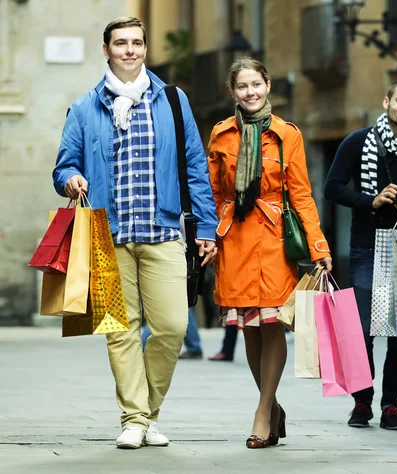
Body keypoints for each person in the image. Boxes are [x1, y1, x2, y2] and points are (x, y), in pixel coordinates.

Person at [52, 17, 218, 449]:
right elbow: (64, 164)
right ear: (106, 50)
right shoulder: (84, 108)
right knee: (119, 330)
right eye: (120, 43)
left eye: (137, 43)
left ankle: (146, 415)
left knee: (172, 326)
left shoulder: (173, 101)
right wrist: (70, 178)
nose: (130, 50)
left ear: (146, 49)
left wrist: (207, 227)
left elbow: (195, 169)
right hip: (105, 237)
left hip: (163, 230)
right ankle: (135, 418)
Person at [207, 57, 332, 449]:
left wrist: (318, 246)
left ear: (267, 86)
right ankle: (273, 405)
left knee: (272, 322)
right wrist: (209, 237)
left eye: (255, 85)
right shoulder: (221, 134)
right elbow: (211, 193)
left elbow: (301, 193)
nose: (250, 92)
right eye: (242, 87)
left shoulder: (286, 135)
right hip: (235, 240)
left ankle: (262, 412)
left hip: (276, 239)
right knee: (249, 326)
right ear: (233, 92)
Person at [324, 80, 397, 431]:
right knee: (363, 332)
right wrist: (370, 200)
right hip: (366, 246)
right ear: (386, 101)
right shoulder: (358, 142)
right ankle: (361, 401)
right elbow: (332, 188)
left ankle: (391, 405)